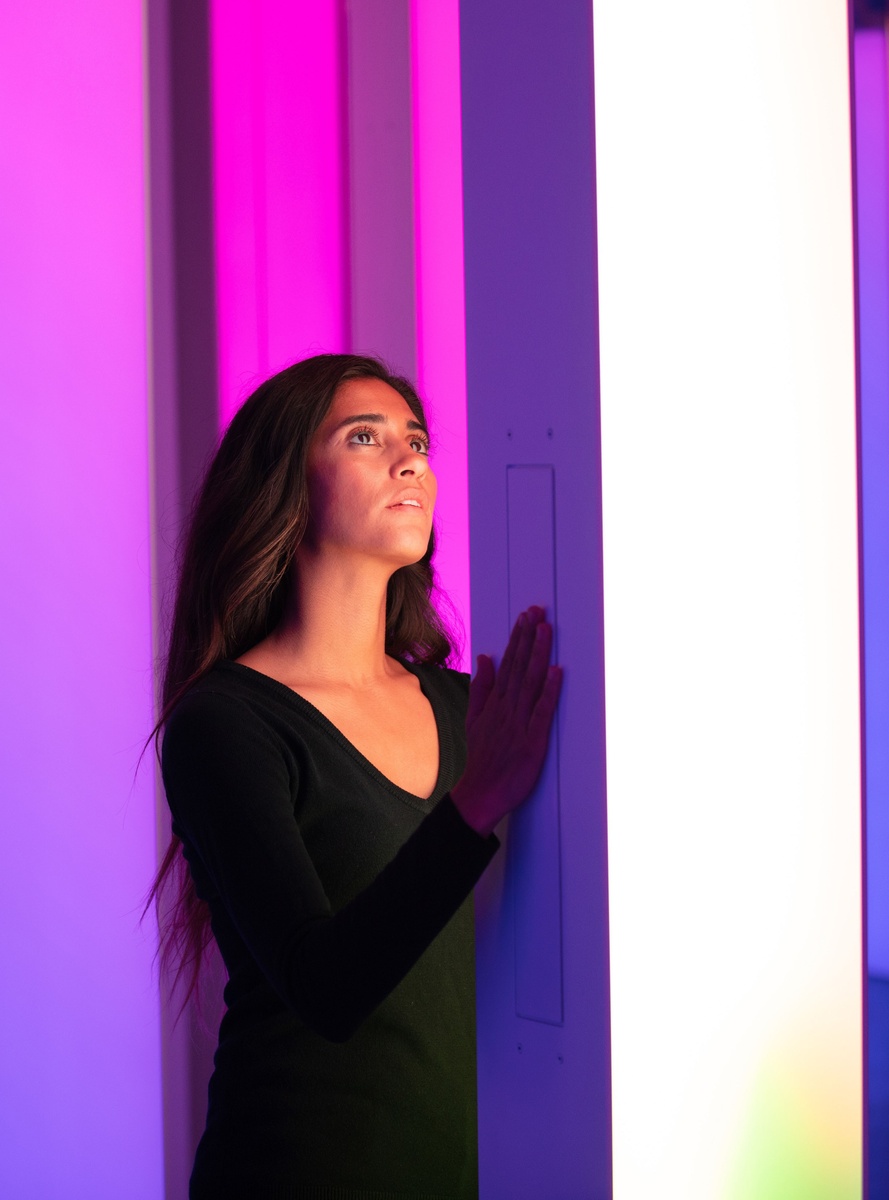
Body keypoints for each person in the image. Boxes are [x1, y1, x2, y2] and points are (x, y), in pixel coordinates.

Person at [149, 353, 561, 1197]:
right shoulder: (224, 722)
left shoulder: (471, 708)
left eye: (415, 440)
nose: (410, 459)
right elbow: (325, 986)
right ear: (286, 484)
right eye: (364, 437)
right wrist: (475, 798)